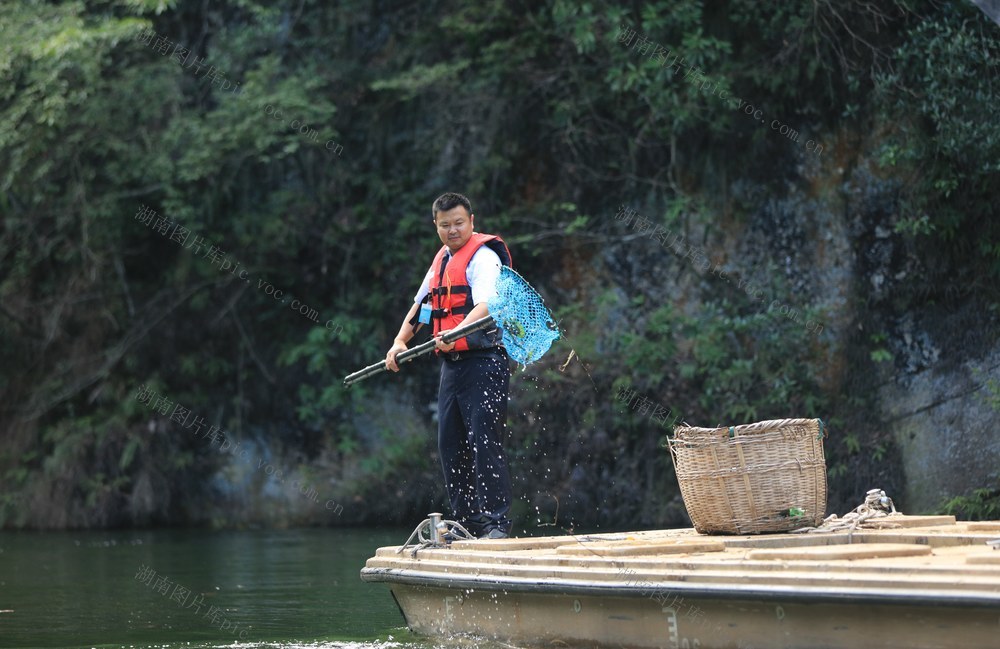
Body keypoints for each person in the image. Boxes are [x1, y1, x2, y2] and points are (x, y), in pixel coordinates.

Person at [385, 192, 514, 540]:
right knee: (450, 444)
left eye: (459, 223)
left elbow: (485, 305)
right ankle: (467, 524)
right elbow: (423, 307)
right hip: (452, 367)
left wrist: (456, 330)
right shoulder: (441, 260)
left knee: (484, 441)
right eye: (445, 225)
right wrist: (400, 342)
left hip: (485, 361)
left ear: (471, 221)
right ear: (436, 226)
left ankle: (496, 524)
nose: (453, 230)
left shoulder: (484, 258)